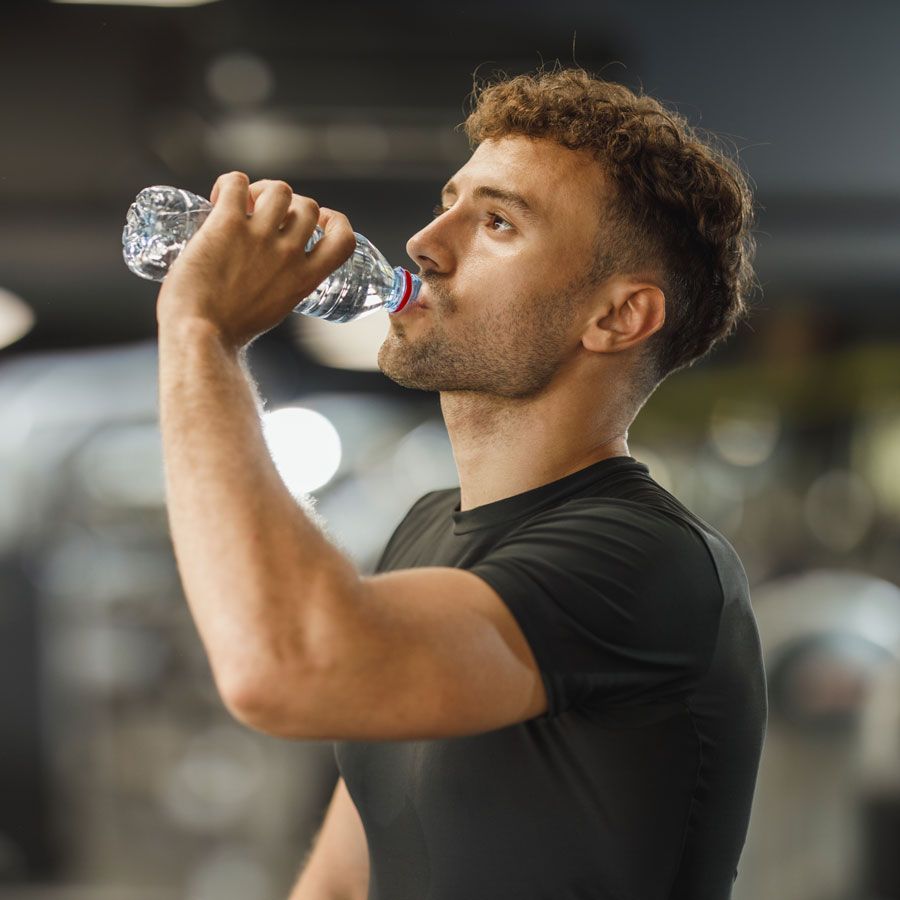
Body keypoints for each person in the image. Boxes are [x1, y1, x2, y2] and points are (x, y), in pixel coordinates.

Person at [155, 68, 767, 900]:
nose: (426, 241)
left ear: (618, 316)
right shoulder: (429, 528)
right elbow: (342, 878)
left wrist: (201, 335)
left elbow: (284, 669)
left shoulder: (650, 561)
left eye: (498, 221)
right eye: (451, 200)